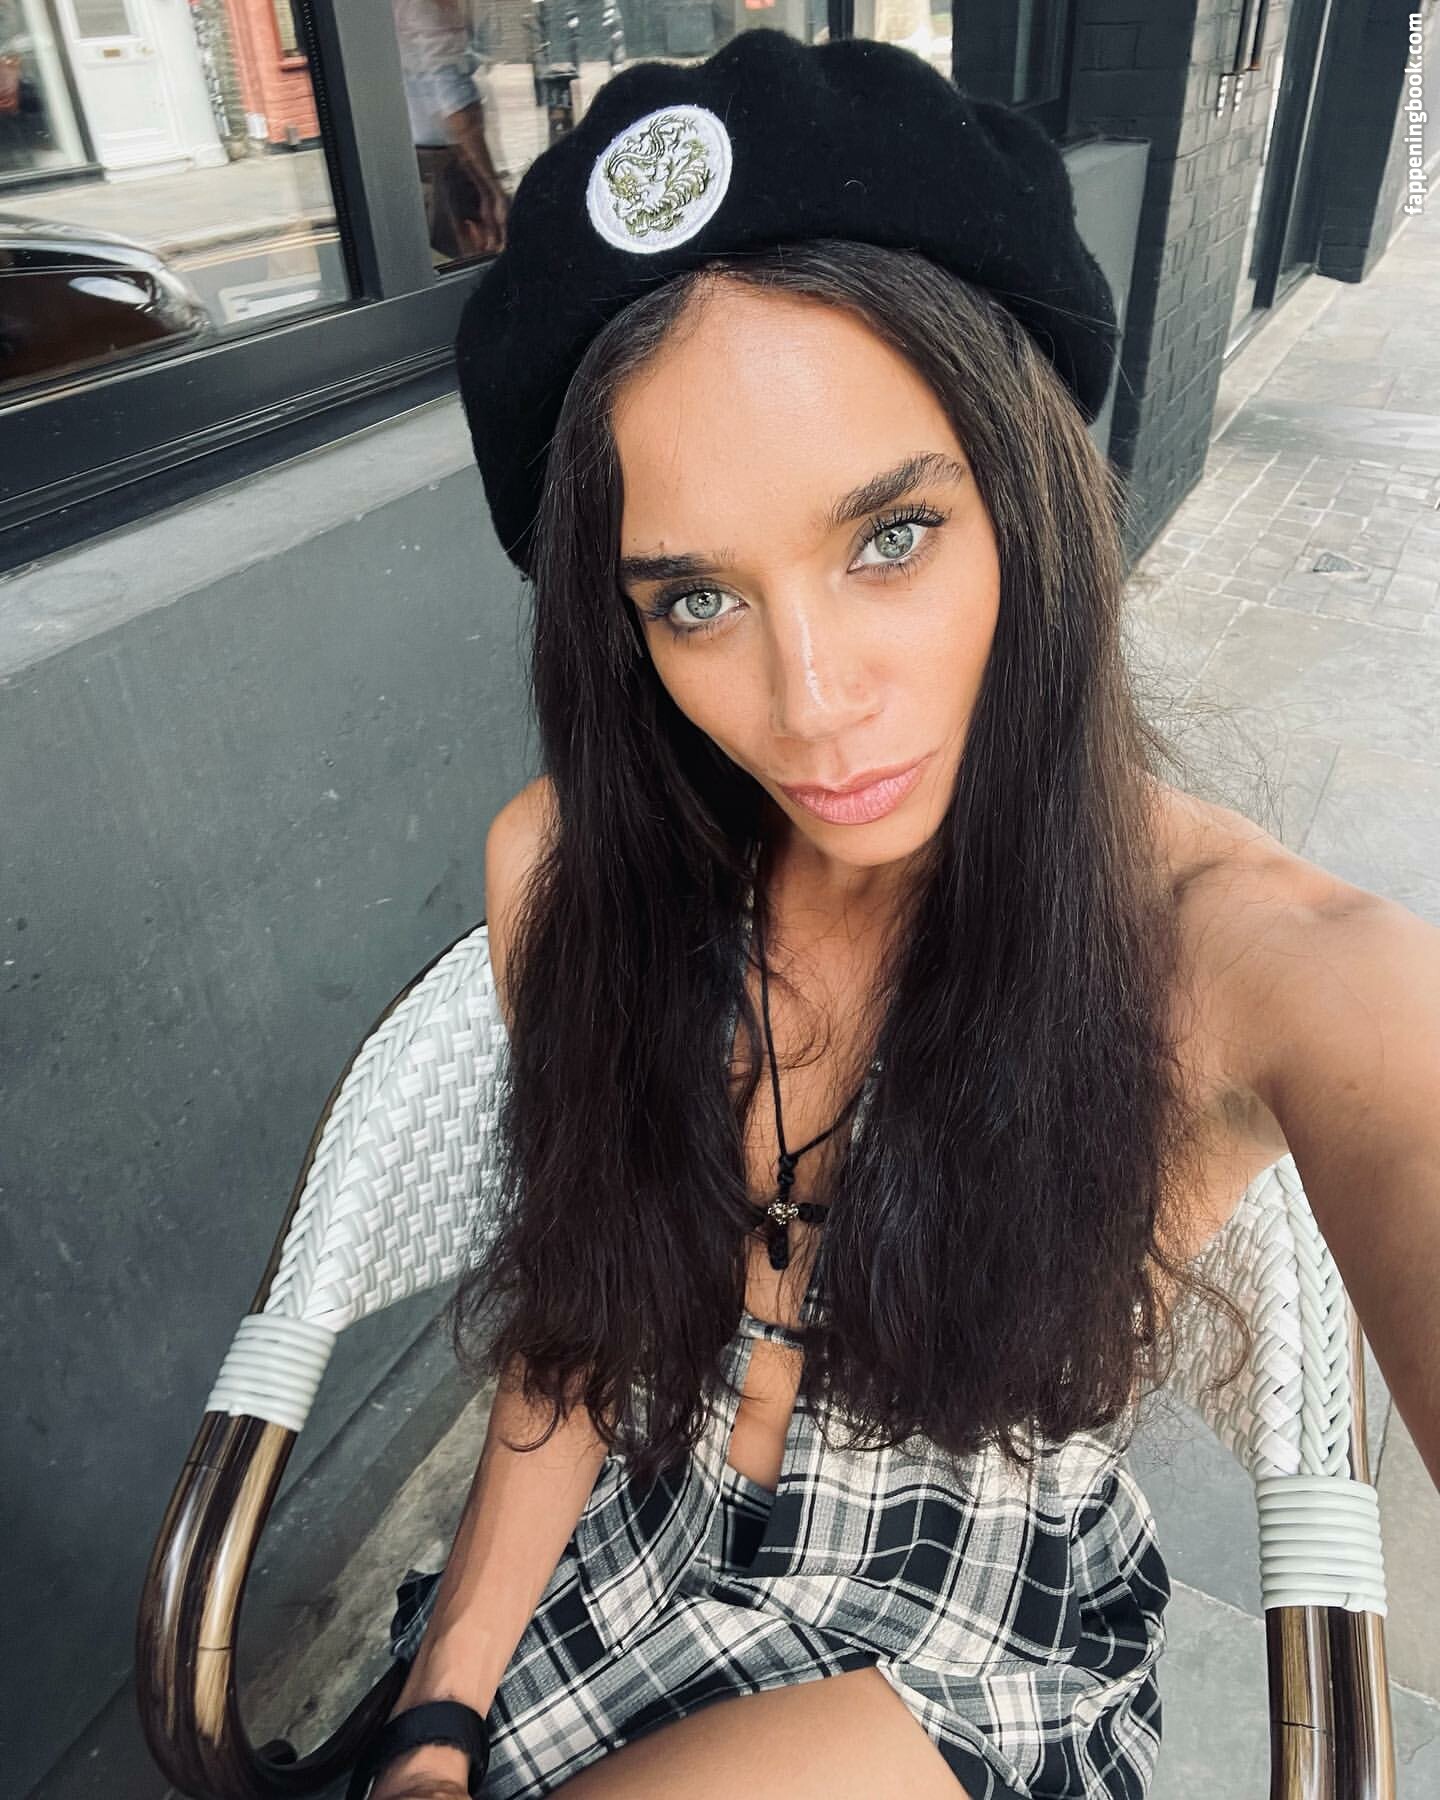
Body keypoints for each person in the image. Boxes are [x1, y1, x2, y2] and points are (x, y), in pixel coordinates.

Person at [348, 29, 1440, 1800]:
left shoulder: (1239, 953)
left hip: (953, 1656)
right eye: (696, 599)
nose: (814, 704)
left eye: (890, 540)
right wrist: (435, 1718)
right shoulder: (571, 876)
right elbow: (581, 1329)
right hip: (617, 1580)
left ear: (1027, 494)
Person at [390, 0, 509, 260]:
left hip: (427, 152)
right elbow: (452, 98)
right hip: (445, 158)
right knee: (475, 260)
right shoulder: (426, 7)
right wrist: (491, 190)